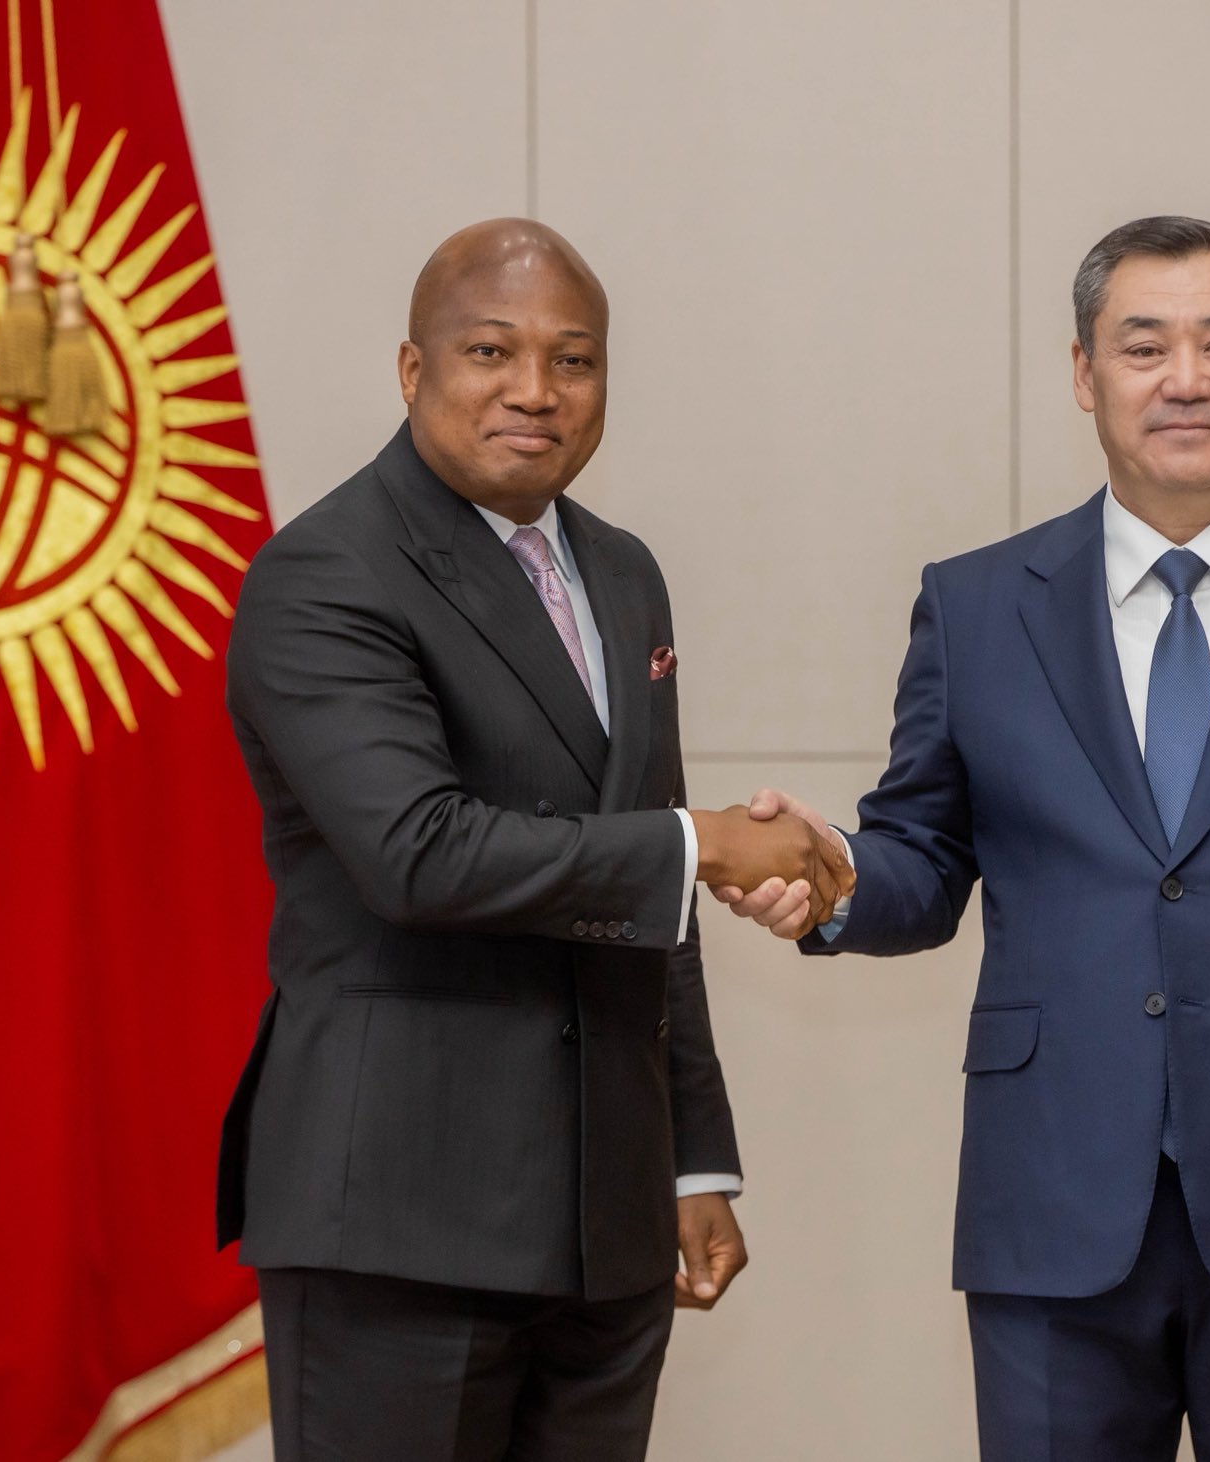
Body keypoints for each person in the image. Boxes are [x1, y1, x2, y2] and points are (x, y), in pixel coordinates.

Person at [718, 216, 1210, 1461]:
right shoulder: (976, 604)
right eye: (1143, 347)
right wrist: (830, 881)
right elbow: (921, 863)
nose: (1186, 378)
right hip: (1049, 1203)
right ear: (1084, 376)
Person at [216, 218, 851, 1460]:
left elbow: (649, 882)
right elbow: (420, 851)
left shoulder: (622, 574)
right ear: (413, 372)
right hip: (398, 1221)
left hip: (604, 1226)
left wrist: (690, 1160)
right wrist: (704, 845)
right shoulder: (323, 572)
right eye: (490, 351)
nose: (534, 391)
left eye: (574, 360)